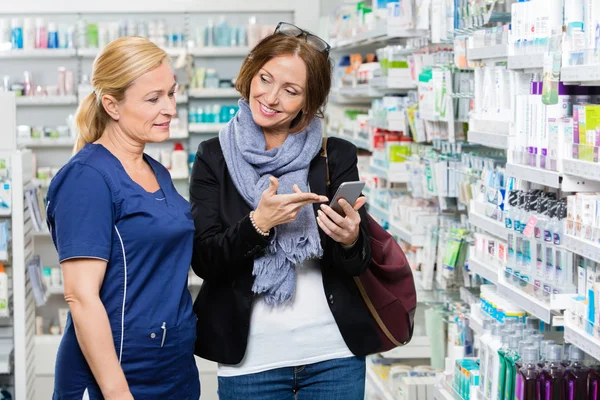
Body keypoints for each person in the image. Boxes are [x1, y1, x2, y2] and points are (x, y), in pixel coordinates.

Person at [190, 22, 381, 399]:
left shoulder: (335, 155)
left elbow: (357, 264)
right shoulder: (214, 156)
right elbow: (205, 260)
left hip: (334, 356)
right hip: (250, 362)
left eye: (290, 91)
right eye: (265, 78)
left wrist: (351, 239)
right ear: (250, 73)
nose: (271, 97)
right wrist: (258, 224)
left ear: (308, 103)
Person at [46, 36, 199, 400]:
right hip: (117, 377)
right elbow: (80, 296)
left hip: (172, 370)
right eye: (153, 99)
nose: (170, 109)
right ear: (112, 105)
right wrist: (117, 393)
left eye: (171, 94)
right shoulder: (87, 178)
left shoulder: (154, 169)